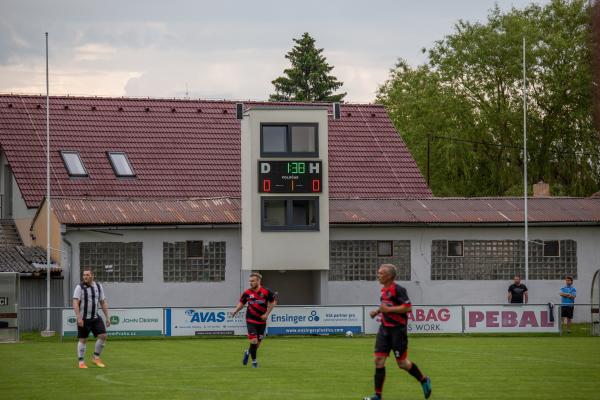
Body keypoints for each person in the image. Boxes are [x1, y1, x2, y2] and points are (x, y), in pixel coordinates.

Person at [363, 264, 432, 400]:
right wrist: (377, 311)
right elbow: (386, 306)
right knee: (378, 360)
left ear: (389, 276)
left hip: (397, 331)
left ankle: (423, 380)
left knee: (402, 363)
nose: (378, 275)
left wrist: (388, 310)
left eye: (381, 273)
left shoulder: (398, 289)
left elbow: (407, 308)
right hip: (384, 329)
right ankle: (377, 396)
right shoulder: (384, 290)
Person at [231, 272, 277, 368]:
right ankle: (254, 362)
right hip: (251, 320)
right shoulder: (247, 293)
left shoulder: (266, 292)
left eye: (252, 281)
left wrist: (266, 314)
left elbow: (273, 302)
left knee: (257, 345)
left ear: (258, 281)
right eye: (250, 281)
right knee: (254, 341)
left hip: (262, 321)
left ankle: (248, 352)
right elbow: (242, 303)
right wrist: (235, 310)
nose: (250, 283)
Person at [72, 268, 110, 369]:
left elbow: (102, 302)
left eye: (87, 275)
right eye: (84, 275)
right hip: (84, 318)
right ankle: (81, 362)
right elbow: (75, 302)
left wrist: (107, 317)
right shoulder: (79, 287)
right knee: (83, 340)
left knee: (103, 335)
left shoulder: (98, 286)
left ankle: (96, 357)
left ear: (92, 276)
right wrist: (78, 317)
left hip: (95, 317)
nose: (85, 277)